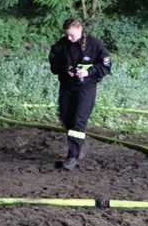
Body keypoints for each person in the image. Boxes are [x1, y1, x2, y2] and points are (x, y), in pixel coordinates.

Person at [48, 18, 111, 170]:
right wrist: (65, 69)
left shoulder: (95, 44)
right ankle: (79, 146)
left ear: (80, 29)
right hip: (67, 87)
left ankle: (72, 156)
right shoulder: (62, 45)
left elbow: (106, 66)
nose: (69, 38)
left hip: (86, 89)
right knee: (66, 118)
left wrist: (88, 72)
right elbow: (54, 64)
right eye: (67, 35)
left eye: (72, 35)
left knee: (78, 120)